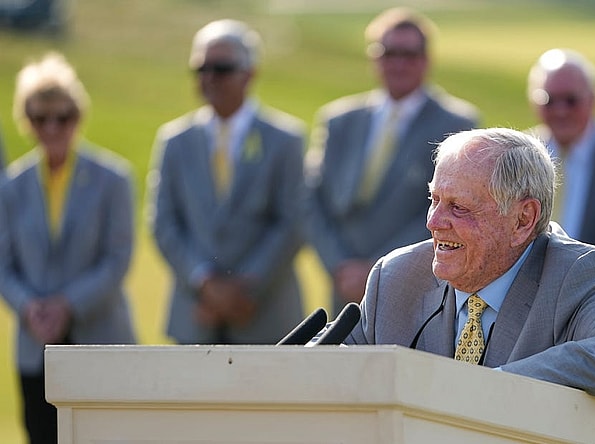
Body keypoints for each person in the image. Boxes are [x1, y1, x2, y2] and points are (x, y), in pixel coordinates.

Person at [346, 127, 595, 444]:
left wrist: (485, 389)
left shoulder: (583, 275)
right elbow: (334, 362)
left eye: (458, 207)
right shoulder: (396, 276)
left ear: (522, 220)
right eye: (434, 200)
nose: (433, 222)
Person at [306, 7, 479, 316]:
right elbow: (311, 201)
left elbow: (454, 209)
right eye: (388, 52)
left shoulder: (455, 123)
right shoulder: (339, 120)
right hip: (342, 285)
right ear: (374, 57)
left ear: (426, 59)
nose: (398, 63)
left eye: (409, 54)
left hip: (414, 285)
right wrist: (340, 265)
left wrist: (380, 267)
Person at [0, 52, 136, 444]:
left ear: (77, 116)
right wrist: (30, 307)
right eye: (41, 118)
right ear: (27, 120)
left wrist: (66, 305)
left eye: (62, 116)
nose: (52, 127)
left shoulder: (113, 179)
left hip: (101, 339)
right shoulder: (12, 187)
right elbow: (4, 265)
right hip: (35, 344)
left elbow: (117, 259)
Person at [148, 19, 306, 344]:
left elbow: (293, 222)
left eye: (221, 68)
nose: (209, 78)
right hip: (195, 315)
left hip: (265, 314)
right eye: (201, 68)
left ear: (249, 74)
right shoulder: (174, 141)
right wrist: (204, 283)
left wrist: (245, 287)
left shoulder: (285, 140)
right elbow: (163, 222)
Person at [527, 48, 595, 246]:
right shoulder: (519, 155)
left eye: (571, 100)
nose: (560, 111)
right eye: (549, 100)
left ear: (593, 99)